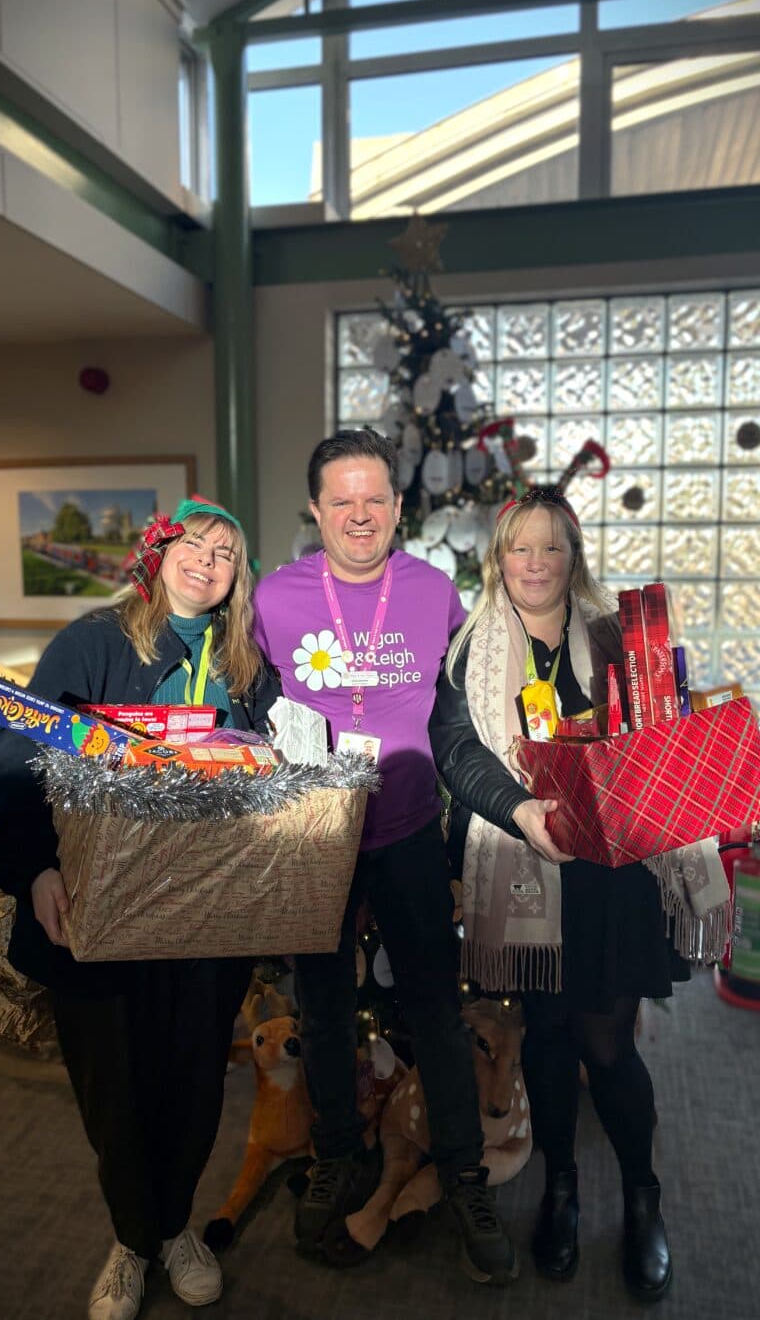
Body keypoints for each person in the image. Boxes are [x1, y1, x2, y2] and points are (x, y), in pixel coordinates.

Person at [428, 485, 760, 1302]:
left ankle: (641, 1196)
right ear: (499, 558)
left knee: (606, 1044)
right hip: (528, 865)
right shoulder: (468, 650)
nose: (533, 562)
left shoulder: (617, 635)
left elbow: (677, 732)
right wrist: (520, 810)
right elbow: (457, 751)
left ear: (573, 557)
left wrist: (745, 777)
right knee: (549, 1040)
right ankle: (561, 1187)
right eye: (518, 547)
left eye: (550, 546)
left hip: (616, 876)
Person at [0, 498, 279, 1320]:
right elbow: (15, 753)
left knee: (191, 1080)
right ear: (157, 553)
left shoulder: (245, 660)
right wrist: (36, 869)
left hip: (206, 912)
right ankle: (131, 1238)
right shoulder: (92, 640)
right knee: (114, 1087)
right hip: (94, 908)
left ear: (236, 577)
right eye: (193, 543)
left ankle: (176, 1224)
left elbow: (275, 762)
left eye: (226, 552)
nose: (208, 560)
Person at [252, 428, 517, 1285]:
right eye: (342, 501)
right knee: (324, 1009)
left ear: (399, 507)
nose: (360, 515)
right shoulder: (273, 598)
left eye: (375, 499)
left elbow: (467, 703)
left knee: (436, 1012)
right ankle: (336, 1156)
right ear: (316, 510)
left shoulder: (436, 590)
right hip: (315, 836)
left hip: (404, 829)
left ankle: (469, 1179)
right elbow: (243, 705)